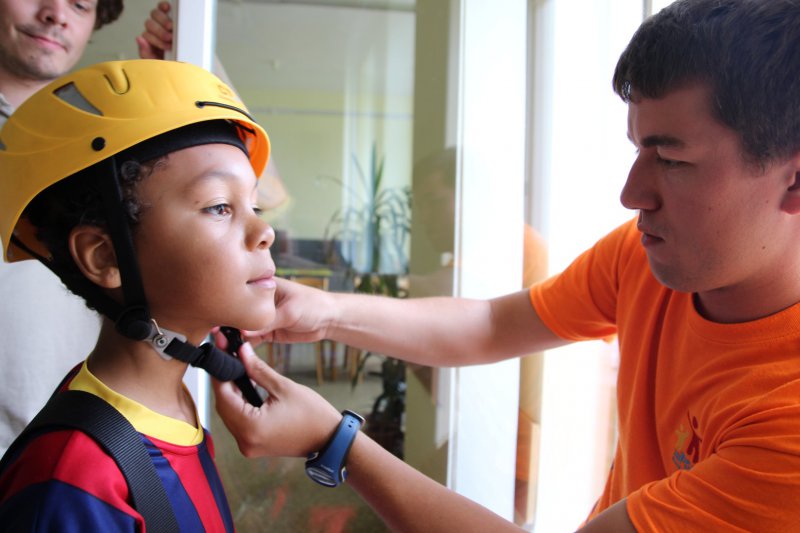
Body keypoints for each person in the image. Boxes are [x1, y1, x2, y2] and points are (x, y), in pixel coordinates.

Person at [211, 0, 800, 531]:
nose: (631, 193)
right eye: (638, 147)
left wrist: (337, 441)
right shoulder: (645, 257)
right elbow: (492, 325)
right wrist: (326, 311)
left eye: (672, 159)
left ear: (793, 179)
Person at [0, 58, 274, 530]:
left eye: (254, 205)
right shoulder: (75, 478)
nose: (265, 231)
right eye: (219, 207)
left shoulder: (173, 407)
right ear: (105, 256)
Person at [0, 0, 182, 458]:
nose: (56, 14)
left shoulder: (102, 140)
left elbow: (264, 195)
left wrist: (180, 79)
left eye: (80, 5)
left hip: (71, 447)